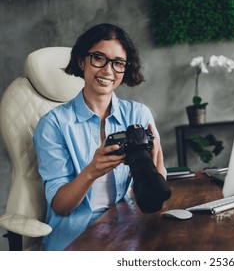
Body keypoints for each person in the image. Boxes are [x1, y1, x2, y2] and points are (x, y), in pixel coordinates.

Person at [33, 23, 166, 251]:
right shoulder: (53, 124)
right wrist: (92, 171)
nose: (108, 70)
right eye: (98, 58)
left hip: (126, 227)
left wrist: (155, 164)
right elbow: (60, 207)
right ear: (81, 61)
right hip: (75, 236)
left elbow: (155, 192)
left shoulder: (138, 114)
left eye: (118, 63)